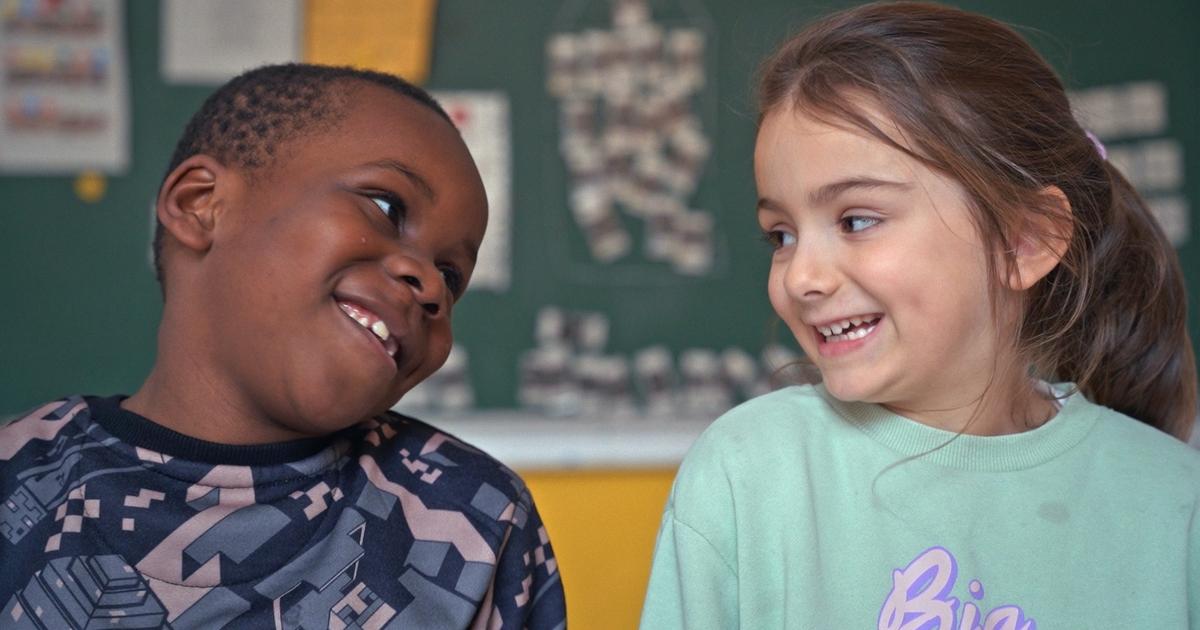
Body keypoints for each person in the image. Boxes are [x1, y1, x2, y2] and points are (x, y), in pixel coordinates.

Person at [640, 3, 1199, 628]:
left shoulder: (1178, 505)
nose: (800, 278)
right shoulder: (748, 473)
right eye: (781, 235)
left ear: (1026, 241)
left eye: (857, 220)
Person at [0, 64, 565, 629]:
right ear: (202, 204)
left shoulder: (476, 521)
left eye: (453, 273)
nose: (432, 284)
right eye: (387, 207)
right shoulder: (16, 483)